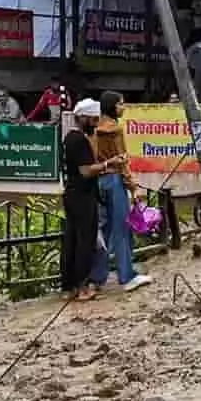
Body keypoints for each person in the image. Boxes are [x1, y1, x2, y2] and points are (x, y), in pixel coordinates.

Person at [89, 91, 152, 292]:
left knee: (104, 230)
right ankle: (126, 276)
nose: (123, 107)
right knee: (122, 228)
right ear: (112, 107)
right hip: (114, 180)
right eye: (121, 104)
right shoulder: (115, 130)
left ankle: (97, 278)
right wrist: (133, 187)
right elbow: (122, 161)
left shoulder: (94, 129)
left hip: (98, 181)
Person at [60, 99, 115, 302]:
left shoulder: (70, 138)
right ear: (83, 118)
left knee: (71, 240)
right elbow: (85, 171)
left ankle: (69, 287)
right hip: (83, 197)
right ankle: (83, 288)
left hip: (72, 194)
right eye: (93, 120)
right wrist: (108, 164)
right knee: (85, 241)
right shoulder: (80, 141)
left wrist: (102, 167)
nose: (95, 124)